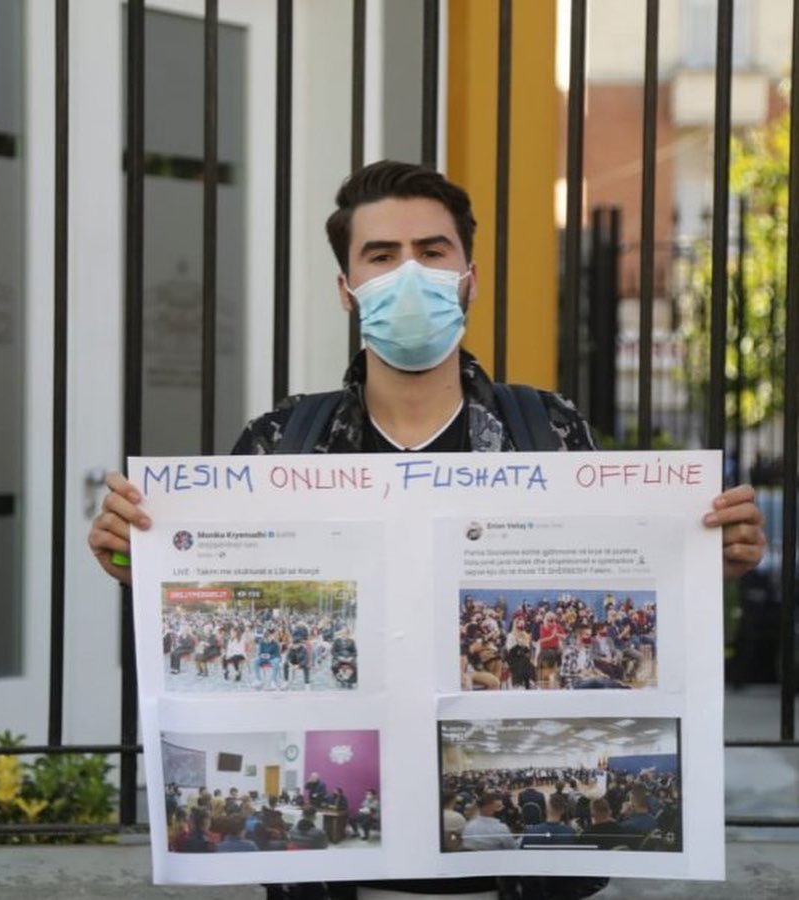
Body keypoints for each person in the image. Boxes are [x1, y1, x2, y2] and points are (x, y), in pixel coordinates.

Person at [88, 160, 767, 898]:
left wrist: (707, 563)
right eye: (381, 256)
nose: (409, 272)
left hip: (518, 881)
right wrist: (142, 564)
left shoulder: (548, 430)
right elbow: (215, 596)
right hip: (332, 879)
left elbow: (637, 587)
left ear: (468, 277)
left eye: (432, 251)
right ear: (348, 290)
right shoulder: (281, 441)